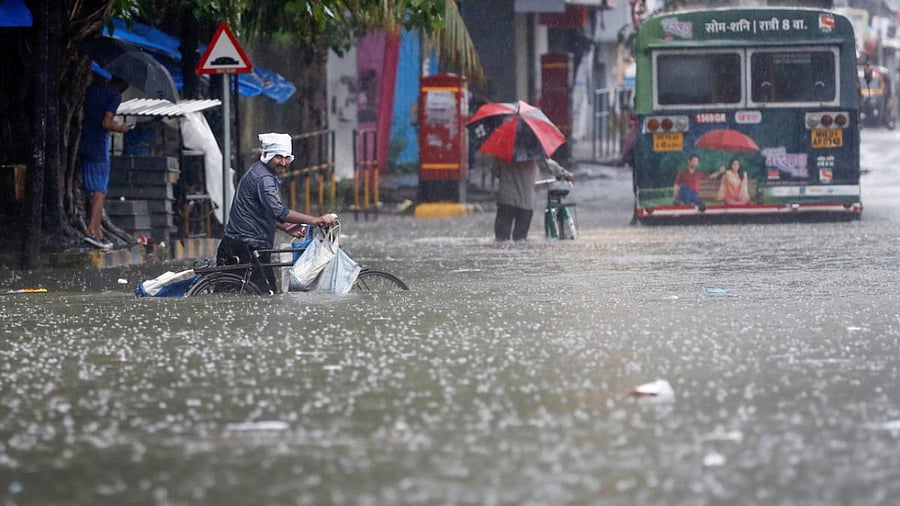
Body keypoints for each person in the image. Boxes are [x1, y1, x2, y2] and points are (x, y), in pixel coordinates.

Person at [217, 133, 337, 293]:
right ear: (267, 155)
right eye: (278, 157)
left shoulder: (260, 172)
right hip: (247, 247)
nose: (283, 162)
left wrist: (286, 227)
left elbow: (261, 212)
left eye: (287, 158)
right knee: (267, 296)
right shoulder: (263, 179)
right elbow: (279, 210)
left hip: (237, 243)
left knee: (235, 297)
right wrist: (316, 220)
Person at [79, 75, 130, 249]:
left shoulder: (91, 90)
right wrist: (121, 128)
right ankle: (93, 230)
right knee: (99, 192)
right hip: (99, 145)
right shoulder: (114, 95)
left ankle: (98, 231)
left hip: (83, 141)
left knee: (89, 188)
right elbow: (106, 122)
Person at [494, 156, 573, 241]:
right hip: (525, 203)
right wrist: (565, 174)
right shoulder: (533, 152)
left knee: (501, 239)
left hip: (506, 200)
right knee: (520, 240)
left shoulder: (503, 152)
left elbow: (496, 172)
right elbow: (549, 165)